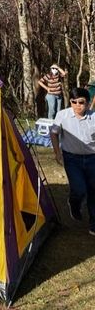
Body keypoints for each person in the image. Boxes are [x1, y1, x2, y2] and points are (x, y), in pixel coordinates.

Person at [50, 87, 95, 236]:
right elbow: (54, 133)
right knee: (79, 189)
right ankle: (74, 203)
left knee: (93, 191)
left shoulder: (94, 116)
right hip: (72, 159)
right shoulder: (62, 115)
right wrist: (57, 152)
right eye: (73, 102)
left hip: (92, 158)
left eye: (81, 102)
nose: (77, 105)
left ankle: (93, 223)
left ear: (88, 103)